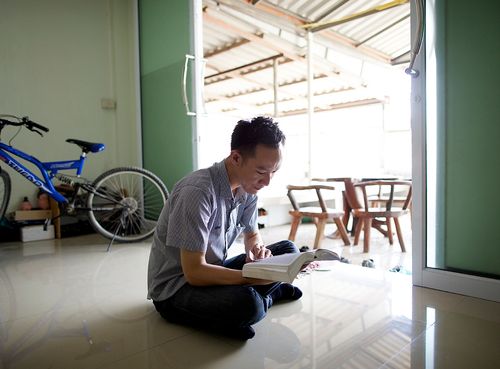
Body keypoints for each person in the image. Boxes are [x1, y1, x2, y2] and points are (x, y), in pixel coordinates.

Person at [147, 116, 302, 340]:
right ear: (236, 157)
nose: (267, 181)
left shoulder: (248, 188)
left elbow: (252, 235)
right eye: (261, 171)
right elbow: (194, 272)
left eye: (274, 172)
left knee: (288, 251)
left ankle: (256, 300)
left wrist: (259, 252)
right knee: (248, 304)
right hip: (177, 289)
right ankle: (268, 296)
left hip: (213, 270)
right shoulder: (197, 192)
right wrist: (252, 279)